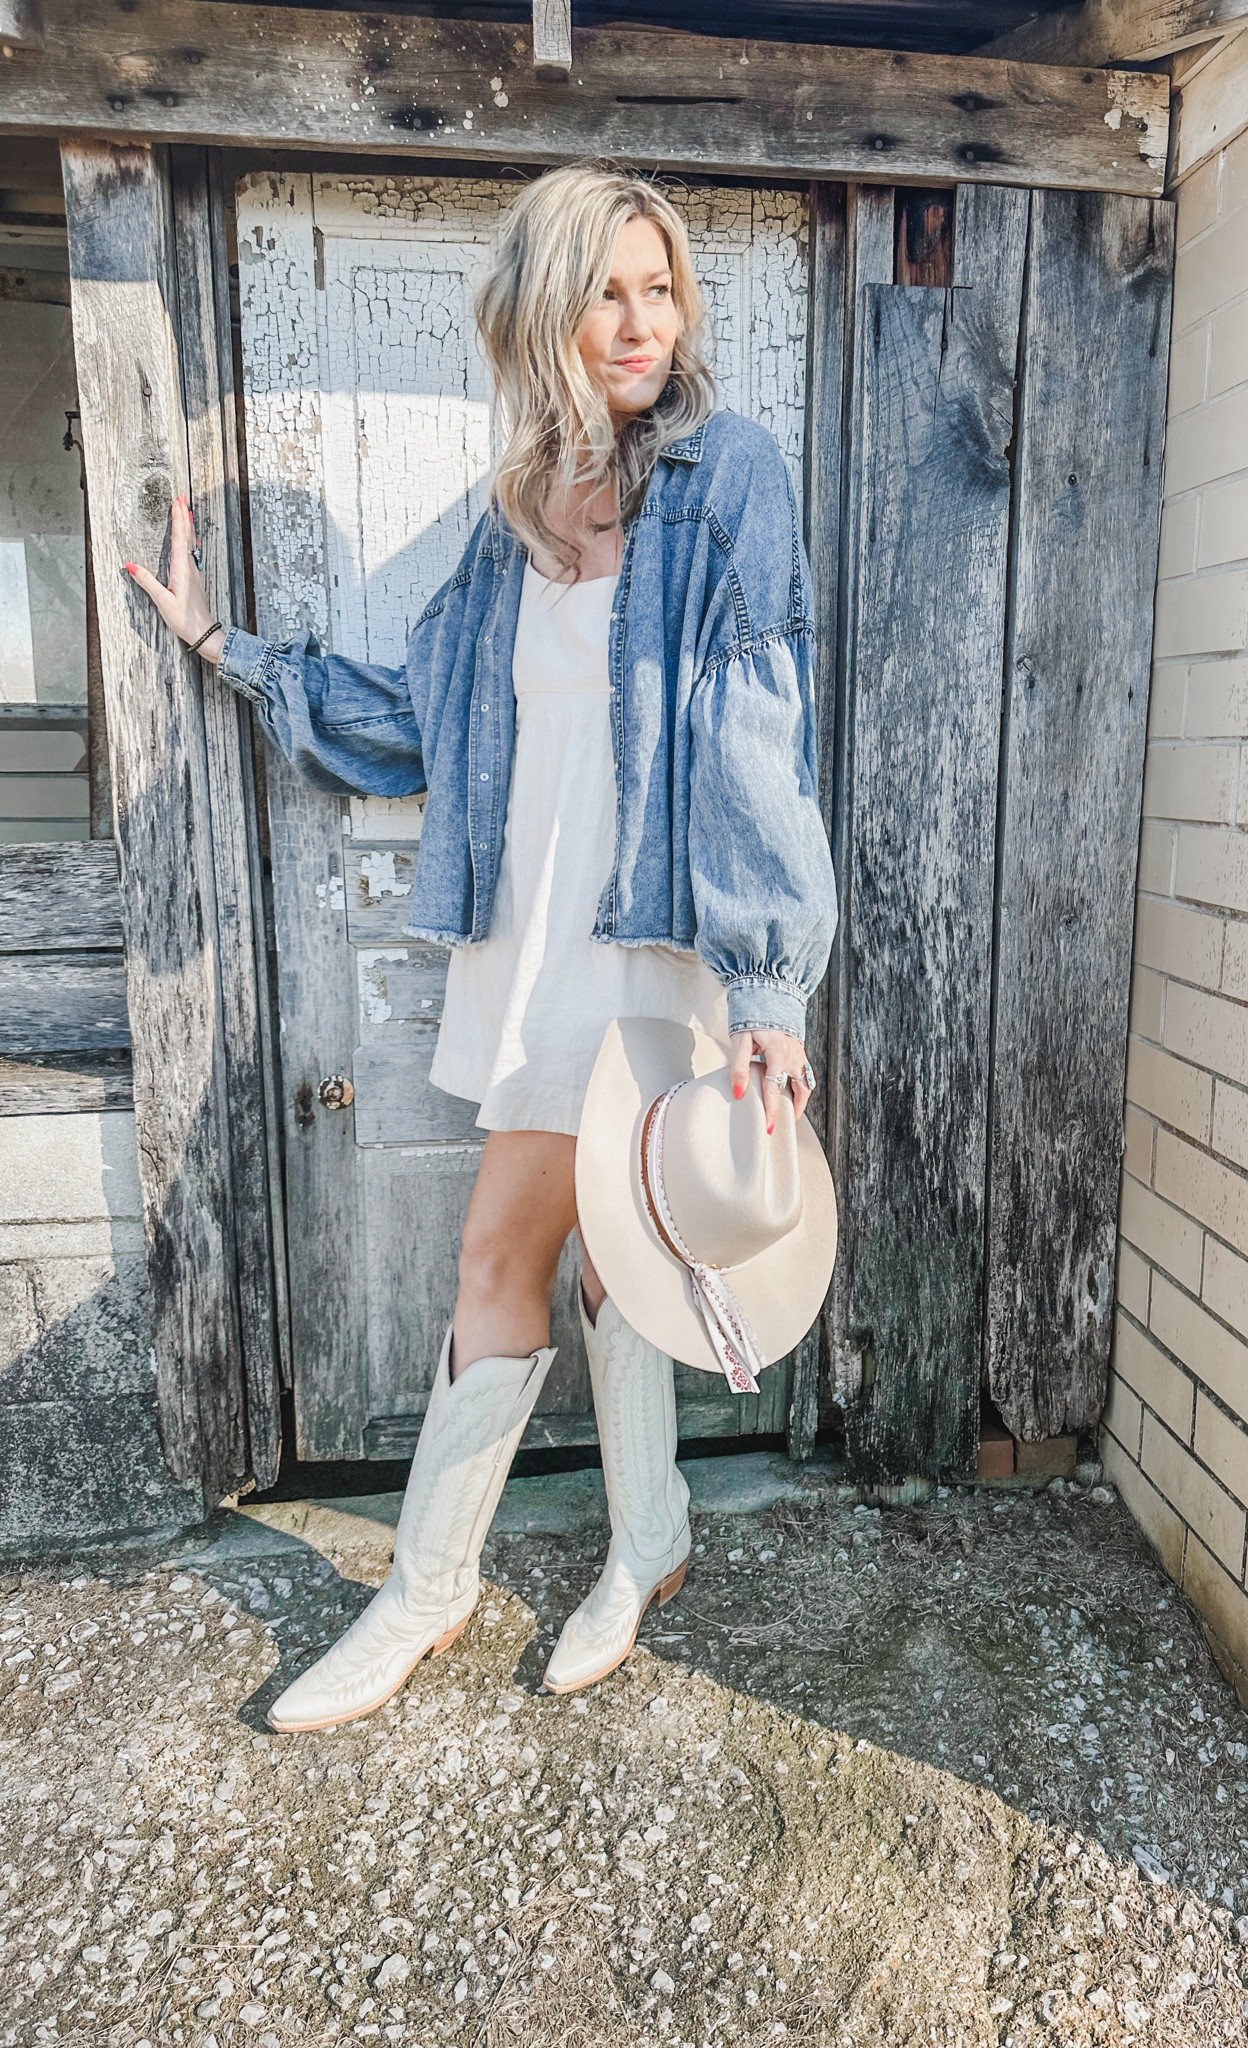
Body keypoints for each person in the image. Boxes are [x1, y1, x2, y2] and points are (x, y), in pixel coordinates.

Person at [126, 159, 837, 1731]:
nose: (642, 322)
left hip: (650, 946)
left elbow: (757, 729)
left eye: (662, 288)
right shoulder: (516, 515)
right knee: (593, 1252)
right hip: (523, 941)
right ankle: (640, 1538)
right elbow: (423, 723)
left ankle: (430, 1592)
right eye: (608, 290)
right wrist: (223, 649)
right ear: (545, 310)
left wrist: (773, 975)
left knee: (511, 1256)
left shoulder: (726, 476)